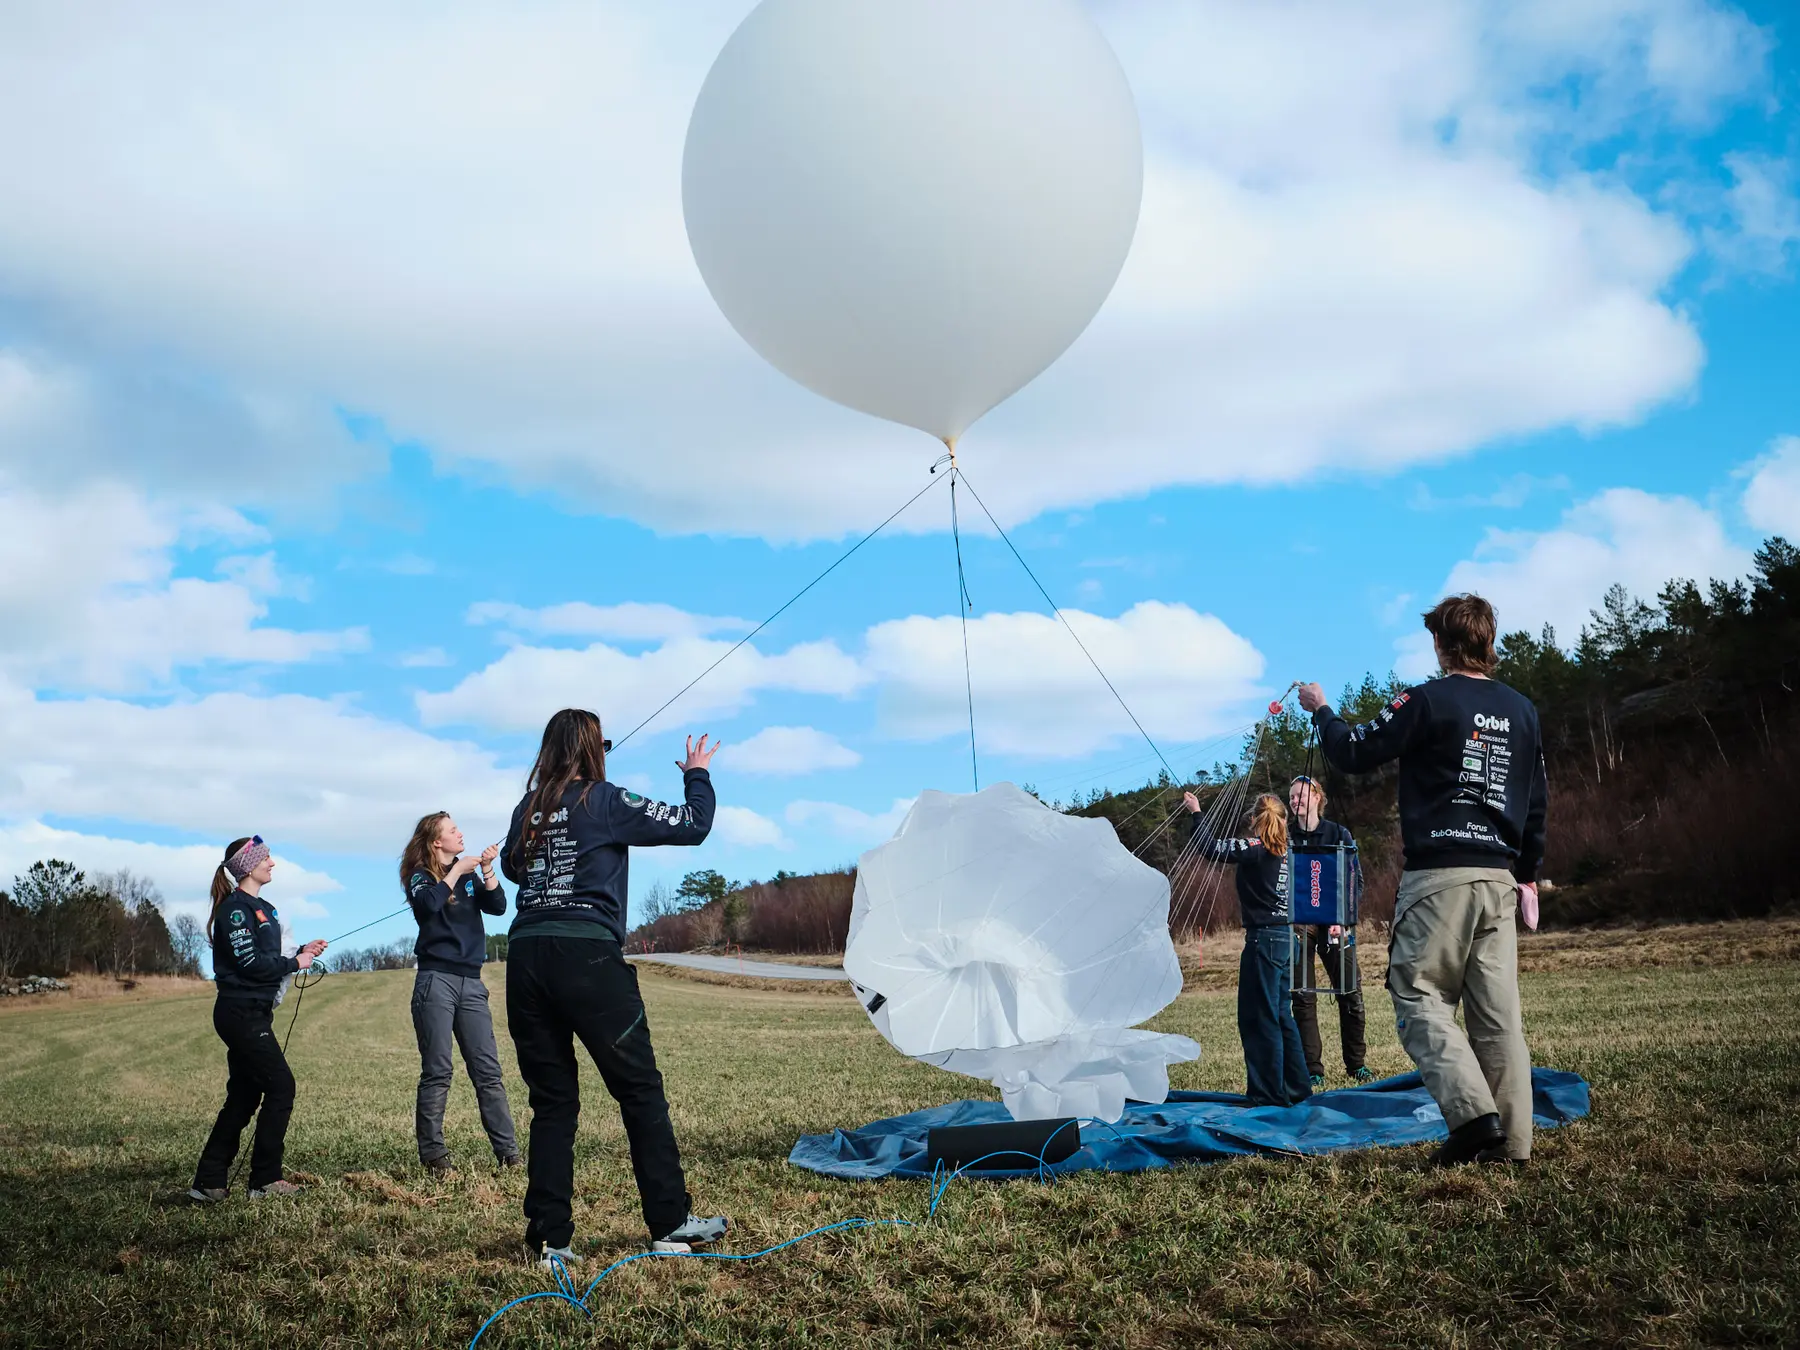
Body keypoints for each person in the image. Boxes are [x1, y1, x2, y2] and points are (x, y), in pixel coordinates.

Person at [1299, 593, 1547, 1167]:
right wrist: (1528, 875)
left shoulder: (1426, 700)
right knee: (1498, 1016)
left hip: (1440, 876)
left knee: (1418, 994)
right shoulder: (1523, 711)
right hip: (1501, 880)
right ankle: (1512, 1144)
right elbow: (1537, 803)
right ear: (1489, 641)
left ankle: (1472, 1117)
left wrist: (1321, 710)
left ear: (1441, 644)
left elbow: (1355, 753)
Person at [501, 708, 728, 1268]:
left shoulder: (526, 809)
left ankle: (551, 1241)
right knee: (639, 1090)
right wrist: (697, 772)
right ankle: (669, 1224)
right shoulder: (605, 800)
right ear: (591, 749)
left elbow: (510, 867)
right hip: (586, 956)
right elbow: (692, 825)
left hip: (525, 958)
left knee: (552, 1103)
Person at [187, 836, 326, 1201]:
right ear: (247, 866)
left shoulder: (267, 909)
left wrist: (302, 950)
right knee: (282, 1086)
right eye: (266, 858)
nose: (273, 864)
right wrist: (295, 964)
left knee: (245, 1096)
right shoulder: (235, 910)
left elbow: (271, 954)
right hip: (239, 1012)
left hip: (256, 1012)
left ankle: (209, 1182)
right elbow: (250, 964)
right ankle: (265, 1180)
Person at [401, 812, 522, 1178]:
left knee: (488, 1072)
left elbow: (498, 906)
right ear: (437, 841)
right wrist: (456, 872)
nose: (460, 833)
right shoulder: (421, 877)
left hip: (471, 982)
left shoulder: (469, 875)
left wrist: (485, 871)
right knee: (438, 1071)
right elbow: (428, 906)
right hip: (436, 980)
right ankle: (435, 1158)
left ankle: (510, 1155)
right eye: (452, 830)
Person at [1182, 790, 1312, 1108]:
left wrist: (1196, 812)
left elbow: (1210, 848)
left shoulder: (1257, 848)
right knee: (1282, 1015)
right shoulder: (1290, 850)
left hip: (1264, 942)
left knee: (1259, 1019)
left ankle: (1267, 1095)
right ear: (1283, 819)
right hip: (1288, 940)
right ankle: (1297, 1089)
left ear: (1253, 820)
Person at [1286, 775, 1372, 1087]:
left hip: (1335, 920)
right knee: (1302, 995)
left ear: (1318, 798)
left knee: (1350, 989)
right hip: (1300, 923)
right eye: (1292, 797)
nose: (1296, 801)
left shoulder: (1338, 833)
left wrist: (1345, 918)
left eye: (1301, 795)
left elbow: (1355, 881)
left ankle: (1357, 1064)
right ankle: (1313, 1069)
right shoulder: (1286, 836)